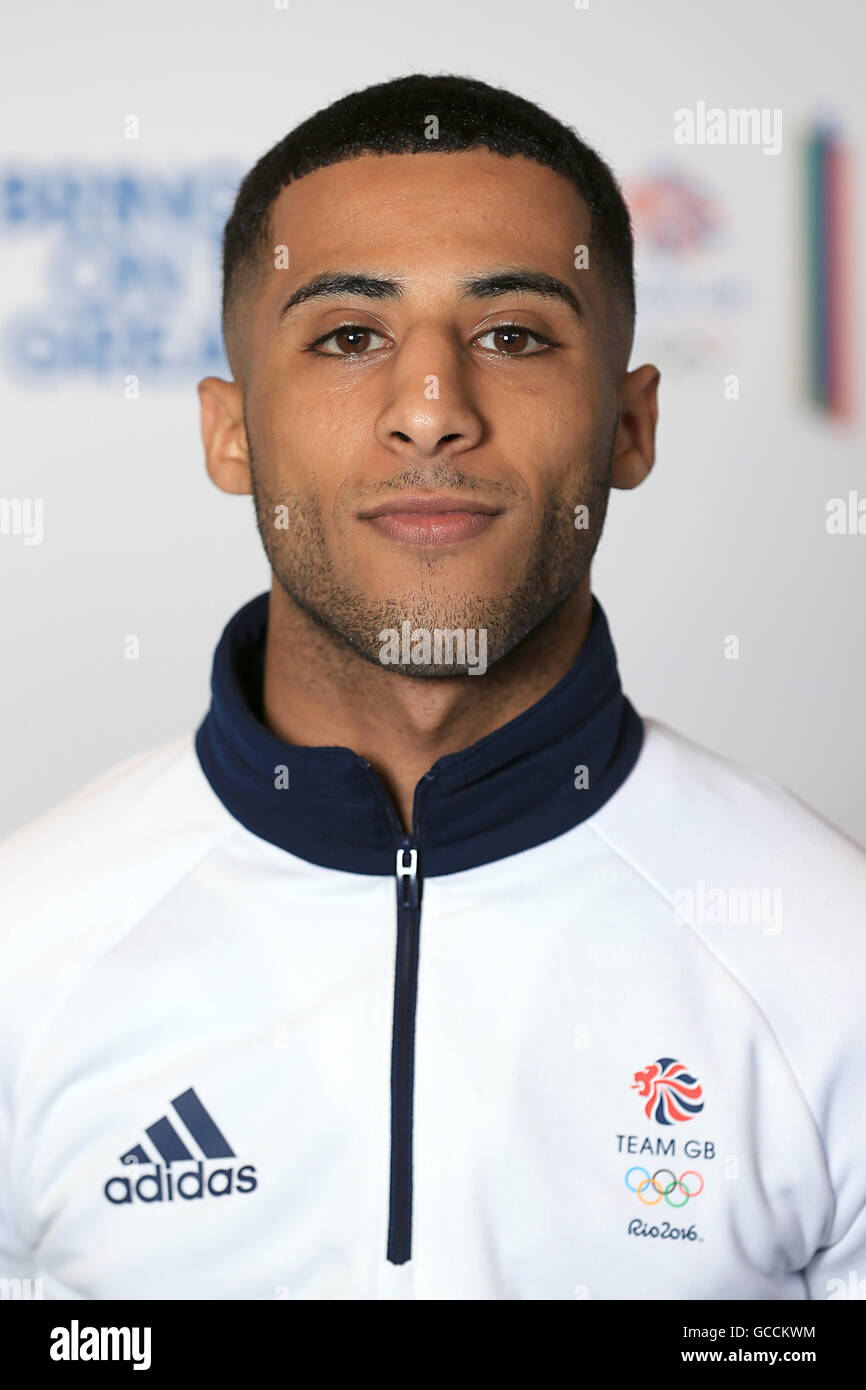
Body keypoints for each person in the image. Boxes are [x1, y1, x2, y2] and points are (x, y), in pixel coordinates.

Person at [1, 73, 863, 1302]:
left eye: (512, 335)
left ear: (629, 425)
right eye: (349, 337)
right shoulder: (25, 951)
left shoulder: (833, 962)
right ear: (229, 431)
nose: (429, 411)